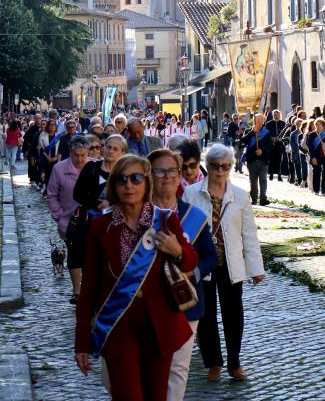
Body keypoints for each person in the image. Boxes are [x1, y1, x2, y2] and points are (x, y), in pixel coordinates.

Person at [75, 155, 198, 400]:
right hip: (119, 326)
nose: (129, 185)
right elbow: (88, 287)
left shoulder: (165, 219)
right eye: (122, 180)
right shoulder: (101, 226)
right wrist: (82, 344)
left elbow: (191, 262)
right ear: (113, 185)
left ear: (147, 183)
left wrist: (177, 251)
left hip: (159, 326)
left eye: (136, 178)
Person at [182, 144, 265, 382]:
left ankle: (234, 362)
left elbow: (249, 234)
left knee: (233, 314)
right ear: (207, 167)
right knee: (206, 315)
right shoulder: (191, 194)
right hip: (203, 263)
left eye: (226, 166)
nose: (221, 171)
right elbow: (185, 232)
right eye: (216, 166)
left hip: (231, 262)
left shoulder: (240, 195)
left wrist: (256, 268)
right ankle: (213, 363)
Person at [147, 148, 217, 401]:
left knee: (177, 369)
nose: (167, 176)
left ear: (179, 176)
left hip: (184, 301)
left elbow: (210, 257)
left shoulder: (194, 215)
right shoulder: (139, 213)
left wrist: (192, 273)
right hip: (145, 303)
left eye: (172, 171)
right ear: (149, 176)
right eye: (159, 171)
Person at [48, 136, 91, 304]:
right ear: (70, 153)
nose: (80, 159)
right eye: (76, 155)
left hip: (92, 219)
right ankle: (77, 291)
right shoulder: (59, 169)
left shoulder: (94, 166)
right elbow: (52, 195)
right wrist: (59, 217)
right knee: (74, 254)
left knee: (91, 254)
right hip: (69, 221)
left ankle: (90, 287)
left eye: (83, 155)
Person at [240, 113, 272, 206]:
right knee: (253, 181)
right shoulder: (248, 131)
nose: (260, 122)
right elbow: (243, 142)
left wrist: (262, 150)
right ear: (254, 121)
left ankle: (263, 199)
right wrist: (252, 133)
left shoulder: (266, 132)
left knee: (263, 180)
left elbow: (269, 145)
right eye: (258, 120)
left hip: (263, 160)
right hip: (252, 160)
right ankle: (254, 198)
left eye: (262, 120)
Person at [307, 117, 325, 195]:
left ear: (323, 125)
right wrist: (313, 157)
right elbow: (310, 147)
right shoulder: (311, 135)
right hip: (316, 156)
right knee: (316, 173)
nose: (318, 126)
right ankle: (316, 190)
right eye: (316, 124)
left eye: (320, 124)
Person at [266, 110, 287, 182]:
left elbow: (284, 133)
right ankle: (271, 173)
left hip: (280, 144)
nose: (276, 116)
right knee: (272, 159)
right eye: (275, 115)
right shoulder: (269, 124)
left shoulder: (283, 123)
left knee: (279, 159)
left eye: (277, 115)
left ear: (279, 115)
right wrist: (271, 138)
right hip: (271, 144)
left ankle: (279, 174)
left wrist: (281, 139)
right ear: (273, 115)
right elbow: (266, 133)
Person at [290, 119, 307, 188]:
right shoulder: (293, 133)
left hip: (303, 153)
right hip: (296, 153)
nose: (299, 125)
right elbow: (292, 144)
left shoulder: (305, 133)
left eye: (300, 124)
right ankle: (299, 180)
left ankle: (304, 180)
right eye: (298, 124)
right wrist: (296, 152)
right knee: (297, 167)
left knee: (303, 167)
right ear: (296, 125)